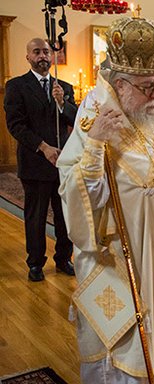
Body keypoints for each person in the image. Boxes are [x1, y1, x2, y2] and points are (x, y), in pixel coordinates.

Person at [57, 16, 154, 382]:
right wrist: (96, 144)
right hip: (128, 262)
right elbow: (76, 191)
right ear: (121, 84)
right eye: (147, 87)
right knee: (130, 349)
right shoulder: (96, 117)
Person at [4, 38, 77, 282]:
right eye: (37, 52)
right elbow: (16, 125)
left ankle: (64, 258)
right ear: (28, 57)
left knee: (63, 215)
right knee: (35, 217)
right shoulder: (16, 86)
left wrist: (62, 103)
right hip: (35, 162)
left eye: (46, 51)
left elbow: (76, 120)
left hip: (62, 164)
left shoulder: (64, 86)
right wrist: (43, 147)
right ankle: (35, 262)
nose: (43, 56)